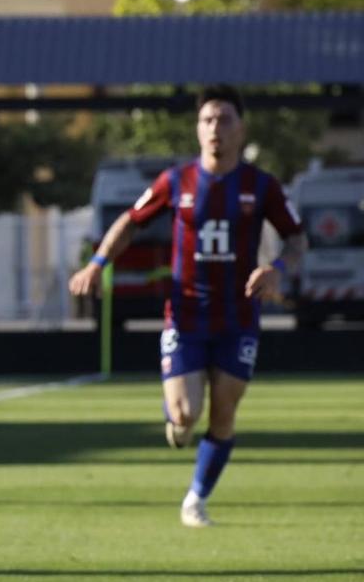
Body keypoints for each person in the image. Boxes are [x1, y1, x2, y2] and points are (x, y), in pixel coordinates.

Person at [68, 85, 305, 528]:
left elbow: (297, 238)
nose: (215, 128)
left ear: (241, 128)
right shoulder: (177, 181)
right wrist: (98, 262)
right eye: (208, 120)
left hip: (239, 318)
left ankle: (195, 498)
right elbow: (130, 221)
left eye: (225, 120)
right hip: (187, 314)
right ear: (198, 129)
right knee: (184, 415)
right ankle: (177, 424)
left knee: (225, 411)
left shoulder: (261, 185)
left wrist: (278, 267)